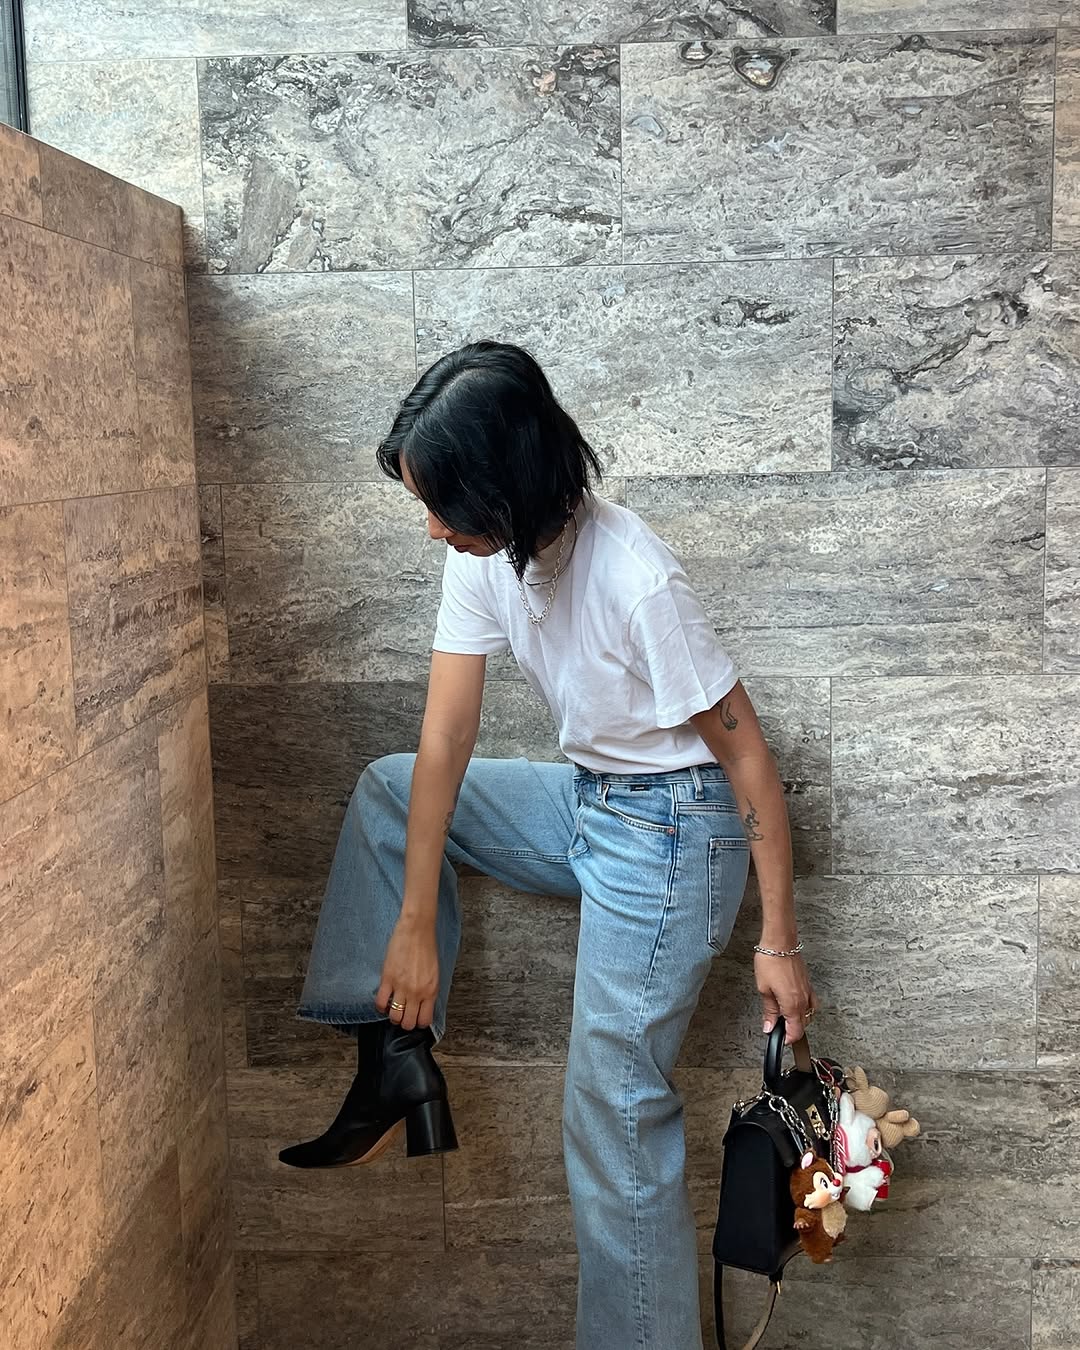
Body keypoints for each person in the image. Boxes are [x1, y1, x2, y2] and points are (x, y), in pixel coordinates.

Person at [279, 340, 817, 1349]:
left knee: (613, 1114)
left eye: (444, 505)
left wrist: (779, 940)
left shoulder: (636, 578)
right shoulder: (485, 555)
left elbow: (748, 759)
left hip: (676, 830)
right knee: (392, 788)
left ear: (506, 488)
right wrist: (413, 929)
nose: (433, 527)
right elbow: (447, 736)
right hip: (592, 801)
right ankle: (393, 1058)